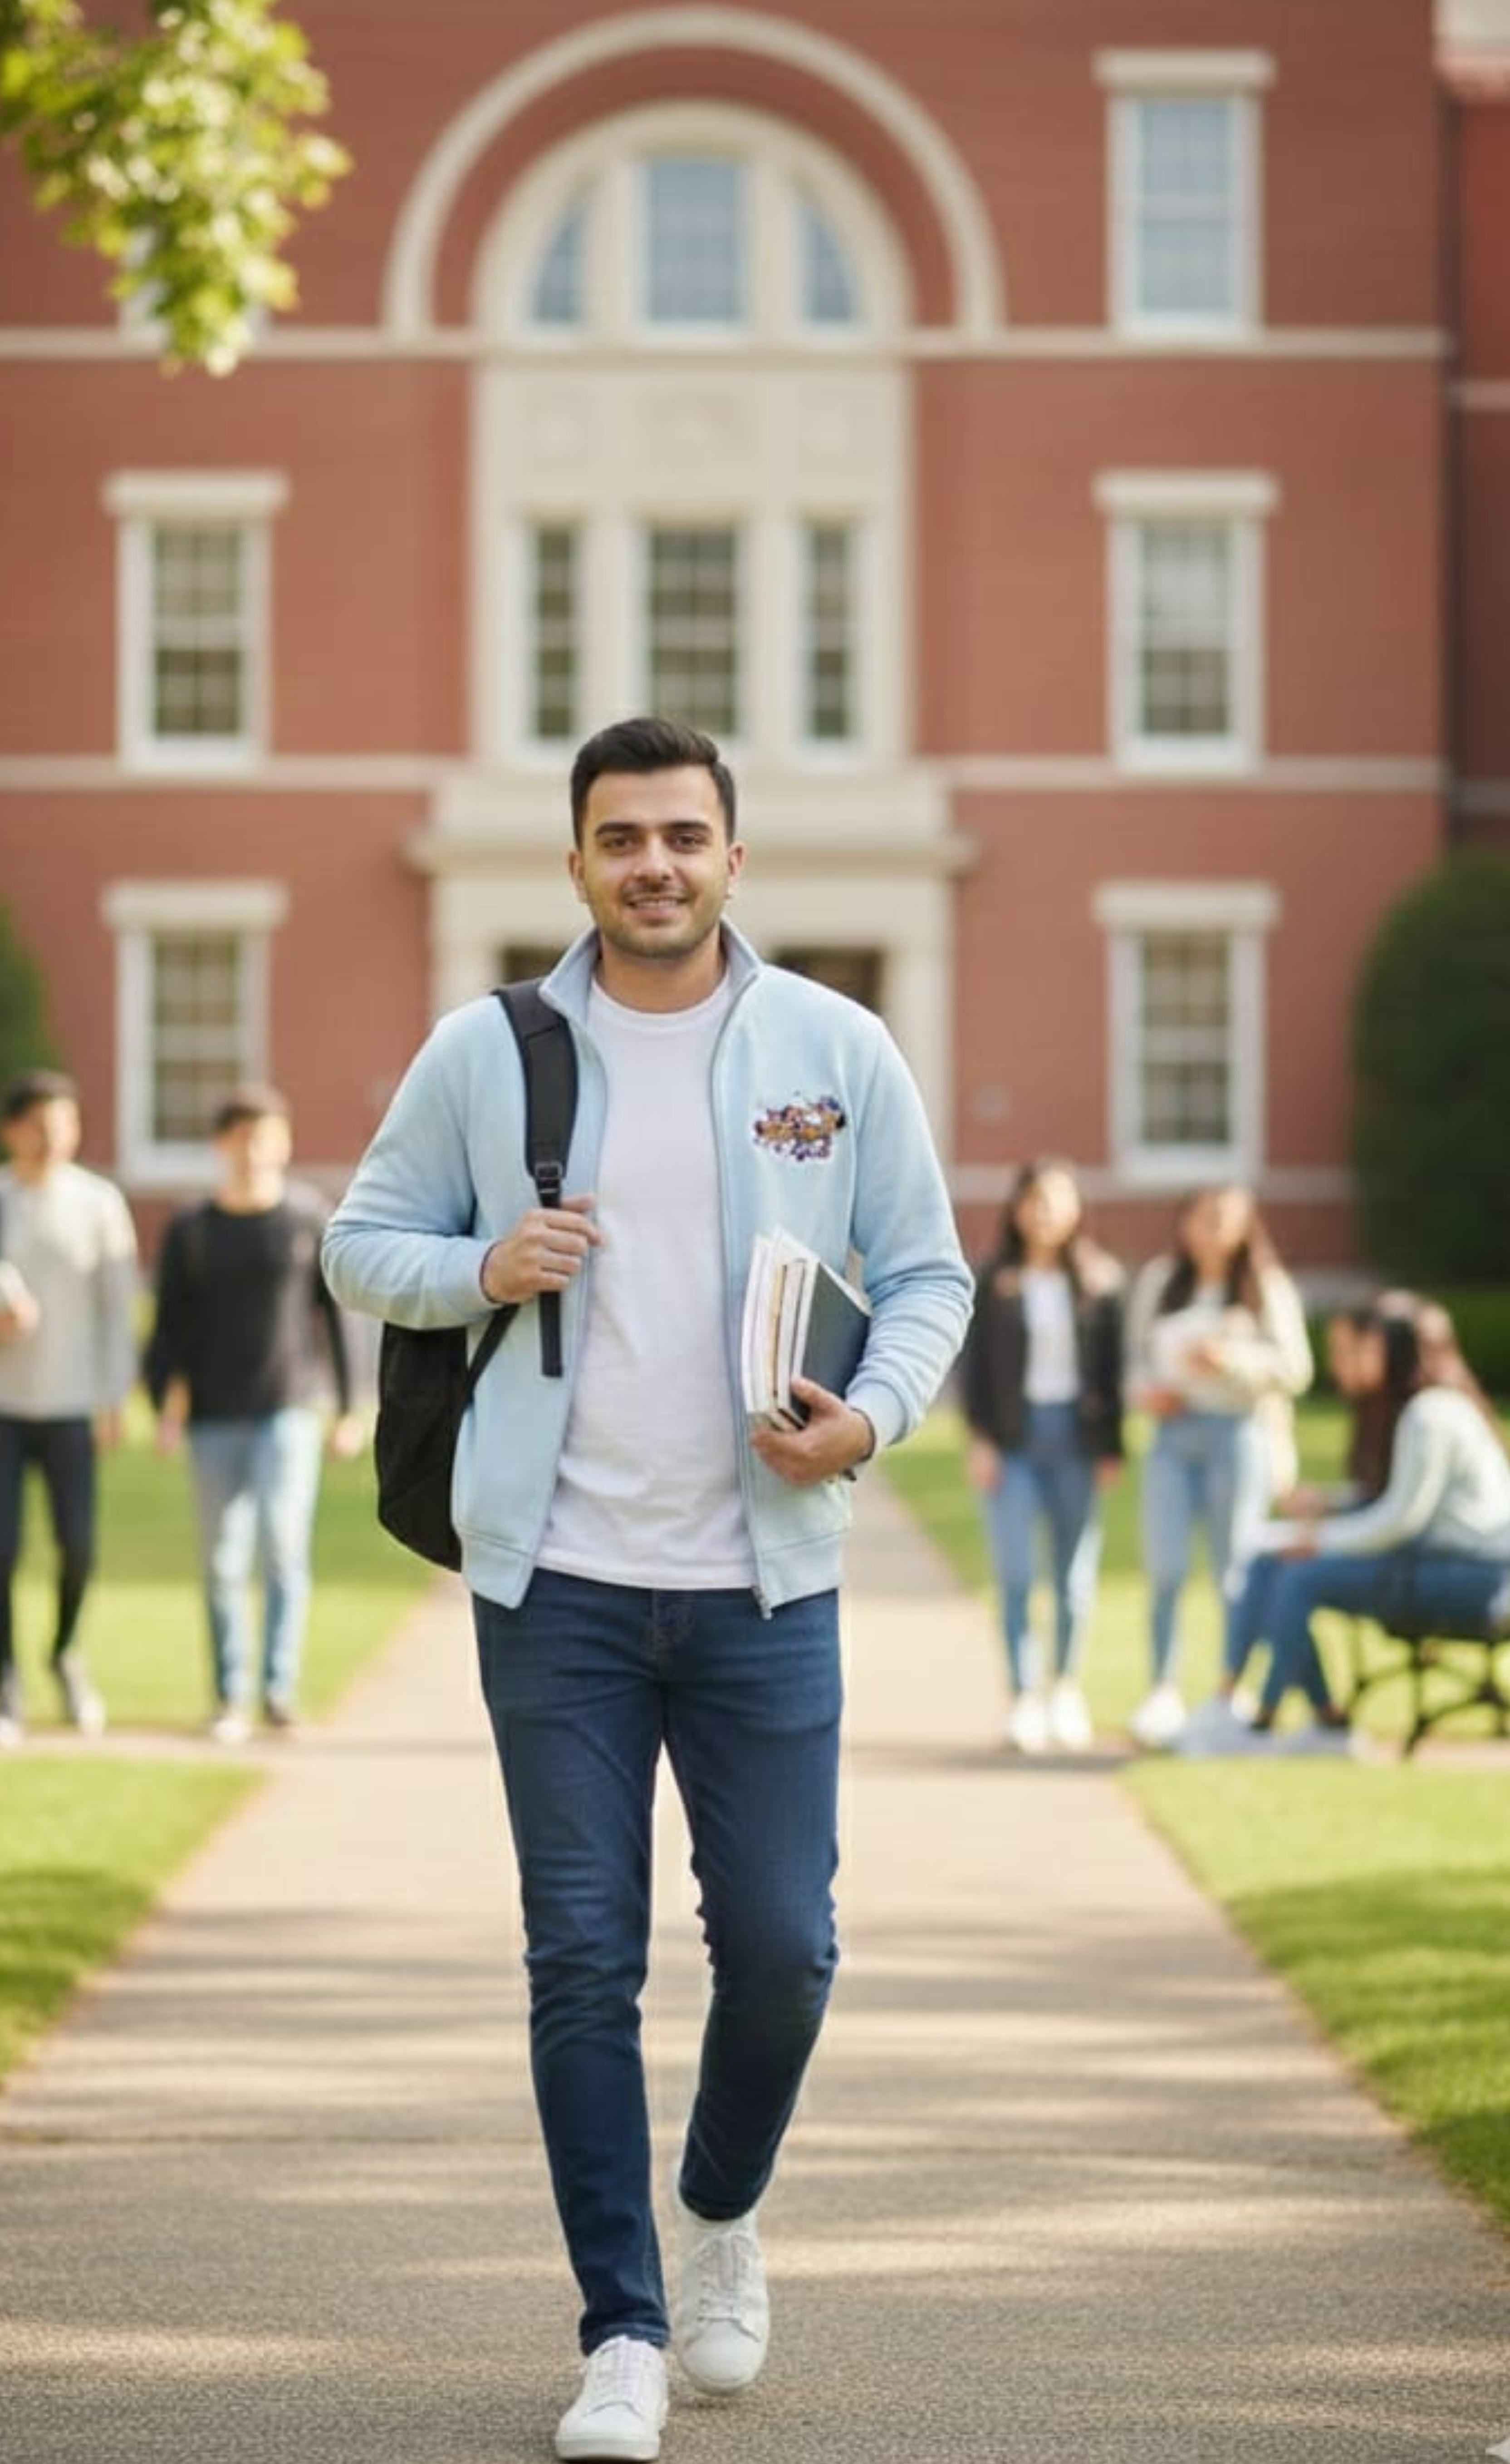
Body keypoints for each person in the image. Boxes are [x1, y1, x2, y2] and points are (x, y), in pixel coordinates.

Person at [322, 716, 972, 2464]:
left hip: (766, 1587)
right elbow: (354, 1239)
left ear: (735, 858)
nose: (657, 864)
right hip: (564, 1592)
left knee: (783, 1949)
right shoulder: (492, 1050)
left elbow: (928, 1275)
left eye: (686, 835)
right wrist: (477, 1262)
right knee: (578, 1957)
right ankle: (619, 2329)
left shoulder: (834, 1046)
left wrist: (872, 1415)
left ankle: (719, 2204)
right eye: (624, 838)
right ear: (580, 863)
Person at [0, 1068, 140, 1746]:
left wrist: (113, 1397)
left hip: (72, 1407)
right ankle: (5, 1685)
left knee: (78, 1548)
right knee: (2, 1549)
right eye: (38, 1127)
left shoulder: (100, 1203)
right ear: (10, 1130)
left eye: (63, 1126)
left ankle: (65, 1652)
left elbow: (117, 1309)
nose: (51, 1139)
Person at [1183, 1292, 1510, 1753]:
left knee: (1298, 1579)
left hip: (1478, 1578)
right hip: (1432, 1561)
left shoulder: (1431, 1414)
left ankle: (1271, 1720)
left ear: (1396, 1350)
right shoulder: (1403, 1411)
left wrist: (1318, 1539)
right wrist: (1332, 1506)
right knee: (1268, 1561)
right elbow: (1393, 1502)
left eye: (1357, 1349)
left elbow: (1401, 1522)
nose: (1340, 1363)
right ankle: (1235, 1701)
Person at [144, 1084, 359, 1743]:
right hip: (212, 1414)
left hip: (288, 1410)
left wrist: (348, 1409)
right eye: (242, 1137)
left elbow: (335, 1319)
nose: (255, 1150)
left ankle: (278, 1690)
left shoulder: (306, 1220)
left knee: (284, 1548)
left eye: (267, 1137)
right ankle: (228, 1696)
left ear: (284, 1143)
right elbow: (169, 1327)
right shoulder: (192, 1229)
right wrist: (166, 1407)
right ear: (221, 1146)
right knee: (221, 1559)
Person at [1123, 1184, 1312, 1748]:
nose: (1213, 1230)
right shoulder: (1161, 1282)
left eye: (1225, 1220)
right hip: (1173, 1436)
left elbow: (1295, 1369)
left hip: (1237, 1436)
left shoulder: (1265, 1288)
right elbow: (1134, 1362)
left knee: (1234, 1570)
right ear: (1185, 1224)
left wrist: (1229, 1360)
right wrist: (1147, 1393)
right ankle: (1162, 1689)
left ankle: (1233, 1691)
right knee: (1165, 1568)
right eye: (1204, 1218)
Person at [959, 1158, 1124, 1753]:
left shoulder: (1099, 1283)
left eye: (1058, 1200)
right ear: (1017, 1208)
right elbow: (972, 1369)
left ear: (1077, 1209)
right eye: (1035, 1200)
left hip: (1076, 1441)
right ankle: (1024, 1694)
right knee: (1016, 1574)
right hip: (1013, 1439)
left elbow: (1113, 1372)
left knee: (1073, 1574)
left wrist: (1113, 1446)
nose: (1046, 1212)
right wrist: (979, 1438)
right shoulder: (996, 1279)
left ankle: (1066, 1689)